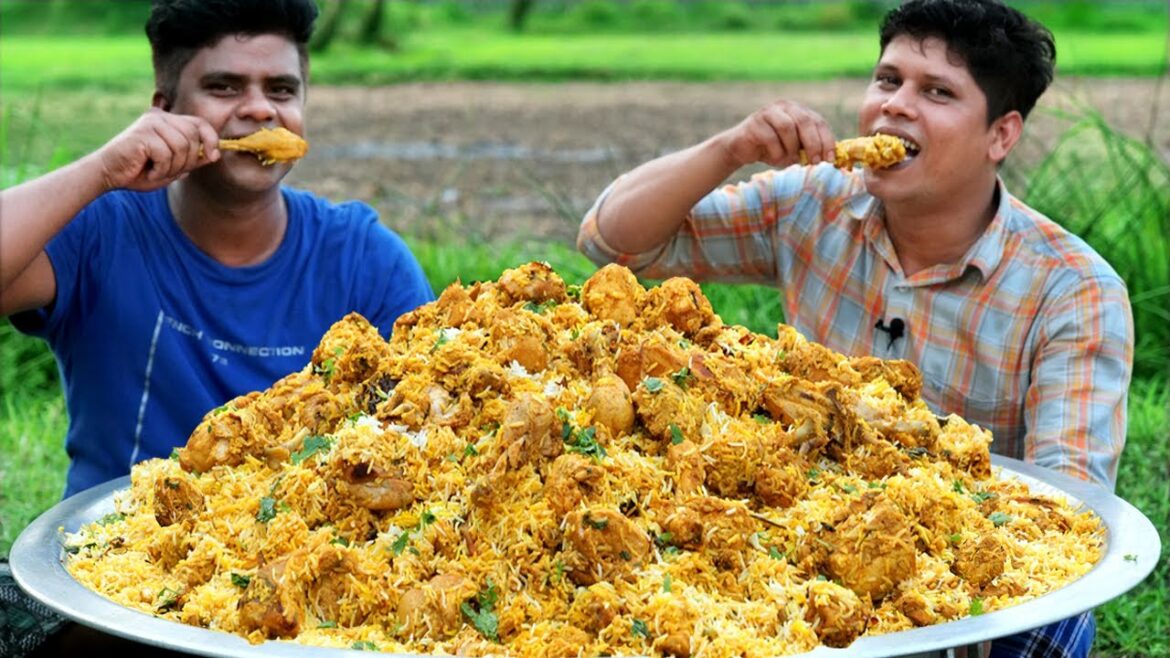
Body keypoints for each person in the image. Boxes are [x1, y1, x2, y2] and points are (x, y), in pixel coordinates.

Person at [576, 1, 1132, 657]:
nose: (895, 106)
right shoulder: (813, 201)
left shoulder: (1073, 291)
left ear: (1001, 136)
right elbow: (613, 242)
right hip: (801, 537)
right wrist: (732, 150)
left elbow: (1065, 510)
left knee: (1052, 620)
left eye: (937, 92)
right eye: (888, 80)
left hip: (964, 565)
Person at [0, 1, 433, 654]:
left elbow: (436, 418)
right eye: (224, 86)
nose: (260, 110)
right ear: (164, 109)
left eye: (281, 90)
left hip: (314, 608)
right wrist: (100, 171)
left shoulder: (361, 257)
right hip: (120, 593)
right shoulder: (104, 231)